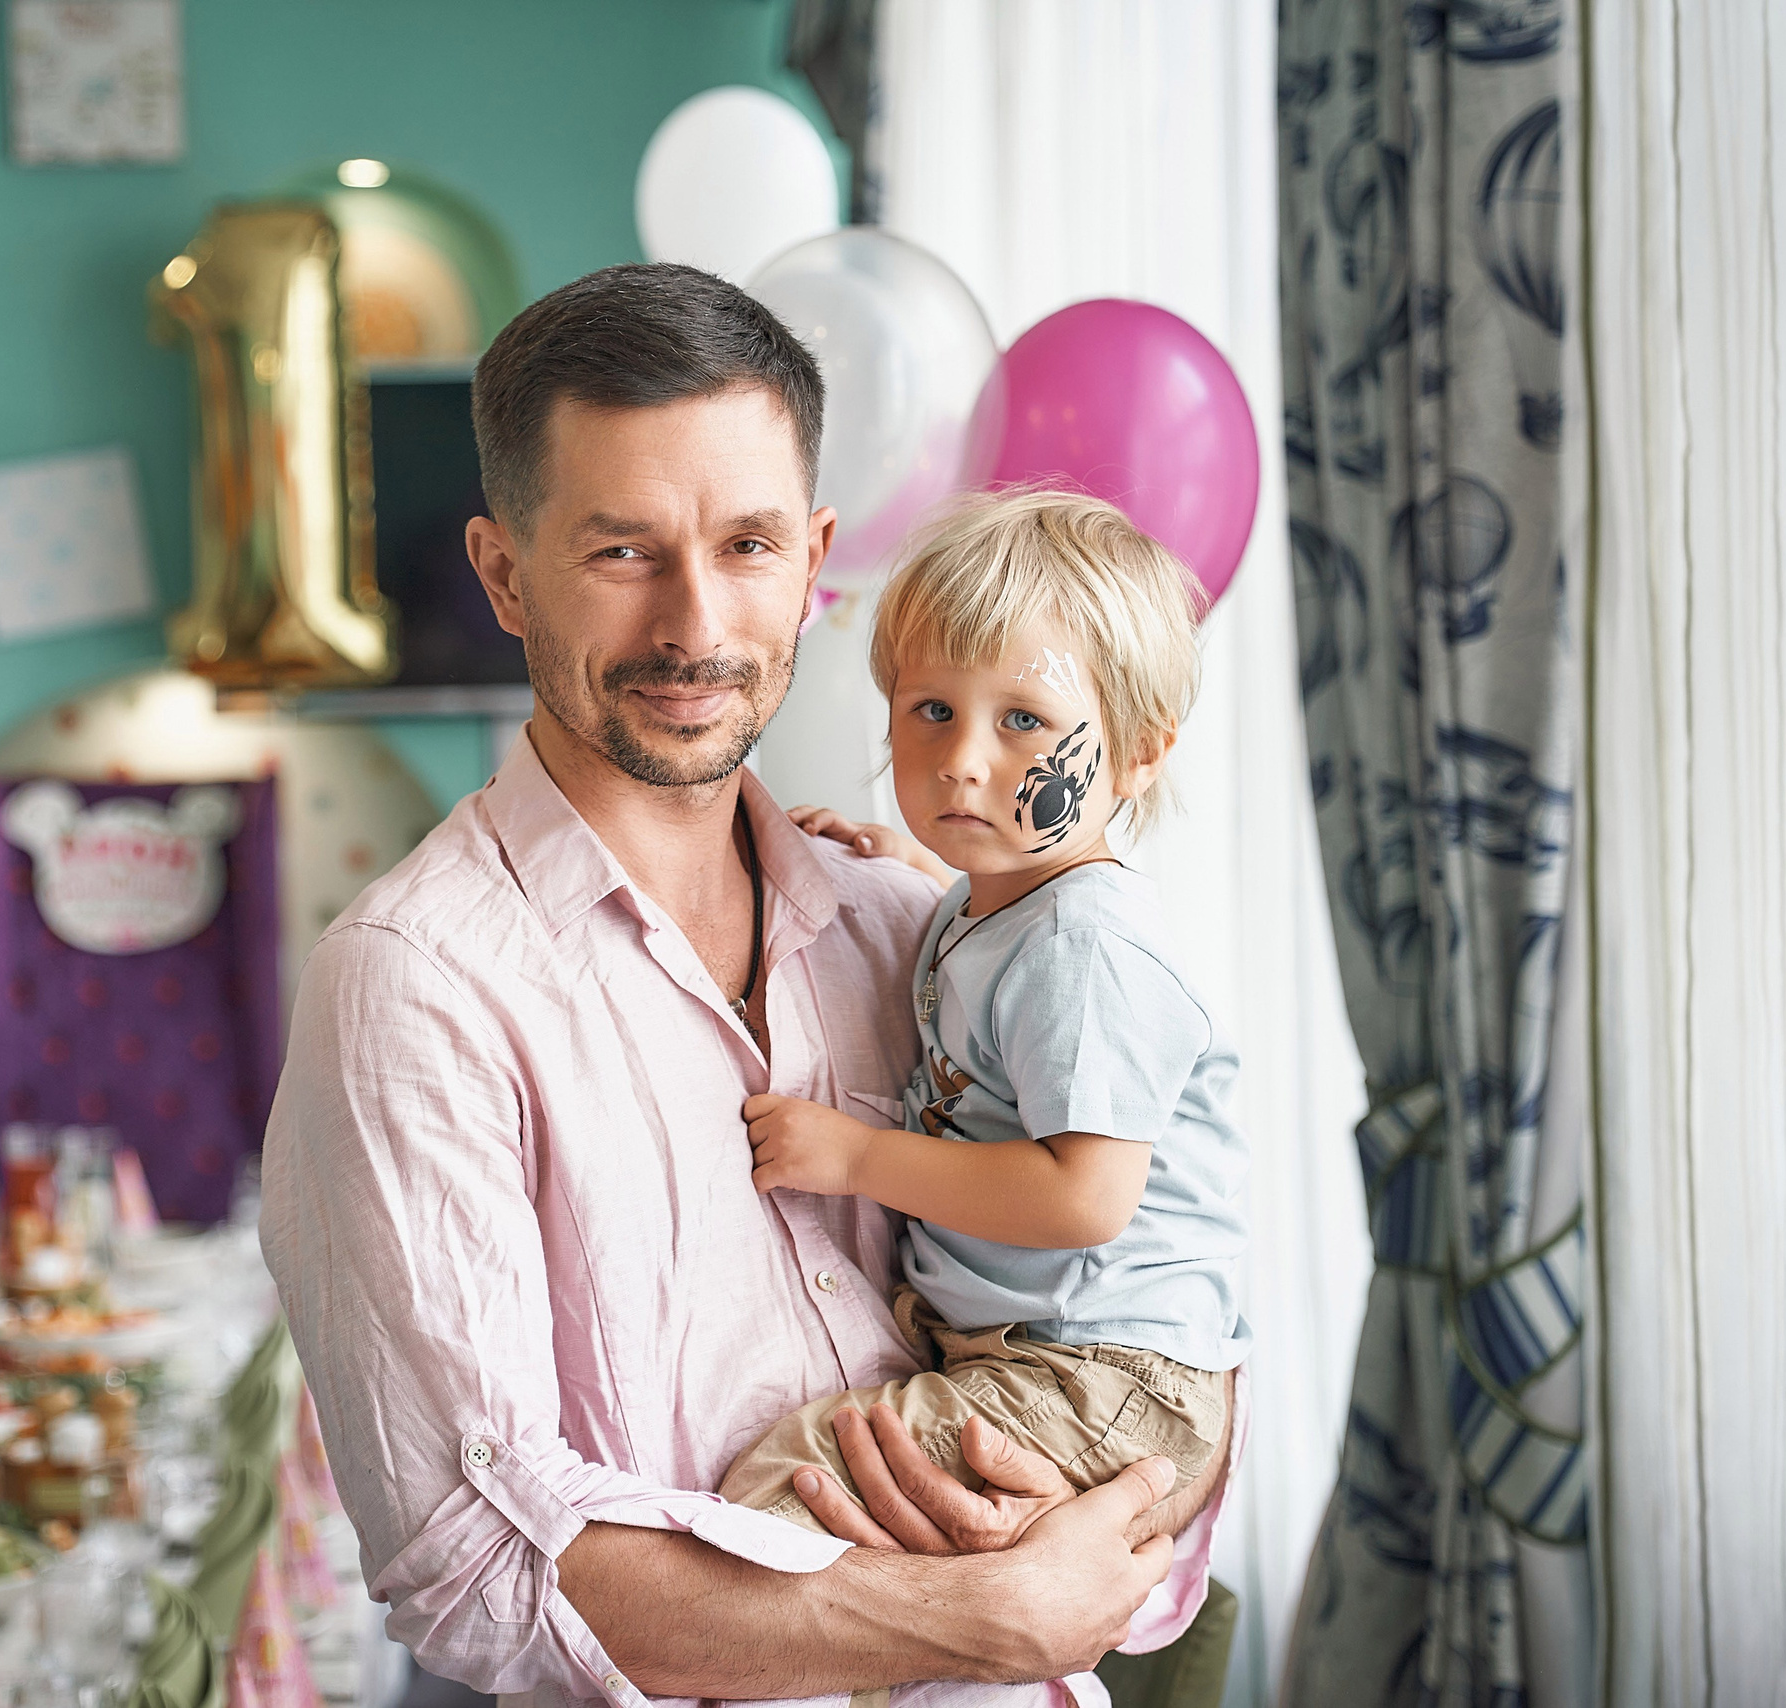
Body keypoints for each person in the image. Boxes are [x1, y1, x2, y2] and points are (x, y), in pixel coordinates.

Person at [258, 264, 1232, 1708]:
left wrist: (1092, 1544)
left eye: (750, 543)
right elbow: (472, 1566)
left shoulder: (924, 924)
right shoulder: (416, 992)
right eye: (621, 551)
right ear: (504, 573)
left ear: (819, 557)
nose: (695, 624)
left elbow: (1161, 1298)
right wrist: (977, 1614)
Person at [716, 491, 1248, 1540]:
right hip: (1046, 1349)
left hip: (1101, 1366)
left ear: (1138, 751)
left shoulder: (1081, 945)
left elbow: (1085, 1199)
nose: (961, 758)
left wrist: (857, 1160)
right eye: (929, 710)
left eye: (1021, 721)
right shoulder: (1004, 902)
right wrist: (919, 865)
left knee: (782, 1500)